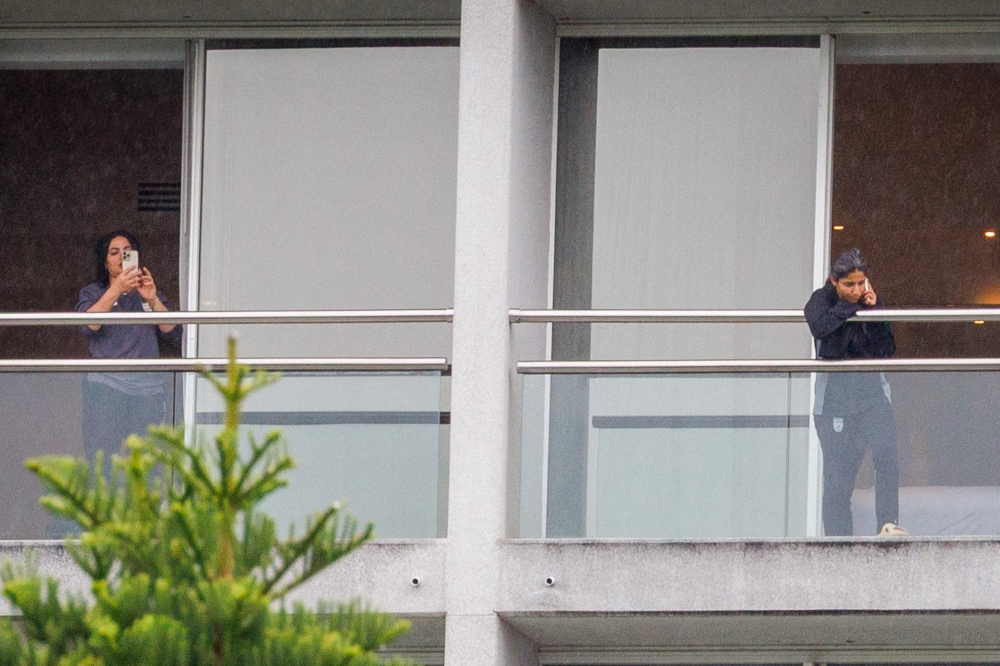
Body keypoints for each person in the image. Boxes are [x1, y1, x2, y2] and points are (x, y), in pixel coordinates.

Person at [804, 248, 905, 537]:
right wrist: (851, 308)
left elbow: (886, 349)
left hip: (873, 399)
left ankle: (887, 524)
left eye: (861, 283)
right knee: (838, 481)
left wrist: (874, 312)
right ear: (833, 281)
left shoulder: (870, 303)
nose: (857, 290)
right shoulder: (821, 300)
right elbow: (820, 327)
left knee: (887, 456)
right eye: (849, 284)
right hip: (834, 404)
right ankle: (839, 544)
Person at [76, 230, 182, 477]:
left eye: (127, 252)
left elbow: (173, 332)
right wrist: (116, 290)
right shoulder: (93, 292)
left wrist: (153, 300)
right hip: (106, 386)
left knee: (148, 464)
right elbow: (87, 325)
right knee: (102, 461)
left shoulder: (148, 291)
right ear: (105, 263)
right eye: (114, 253)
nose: (121, 258)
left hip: (147, 390)